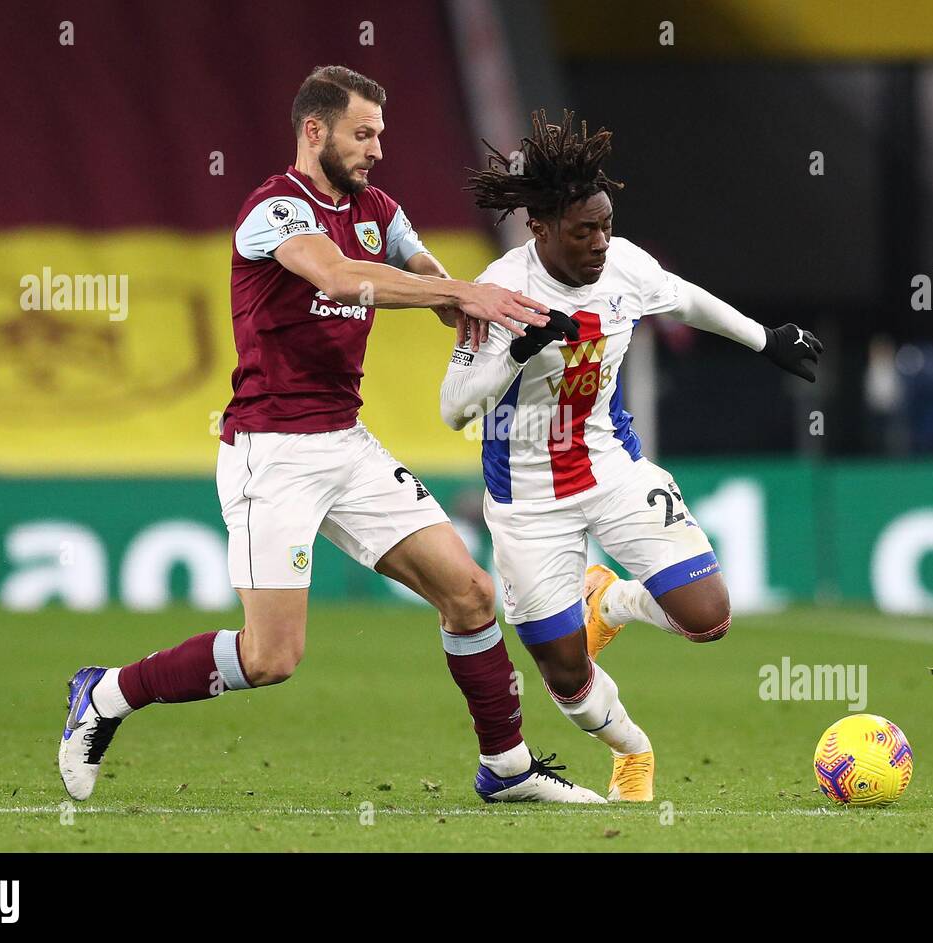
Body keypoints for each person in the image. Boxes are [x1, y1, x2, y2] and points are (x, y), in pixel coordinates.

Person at [59, 70, 604, 806]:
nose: (377, 148)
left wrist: (498, 314)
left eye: (380, 133)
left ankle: (506, 768)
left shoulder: (379, 208)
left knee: (471, 594)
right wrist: (459, 294)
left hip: (347, 444)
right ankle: (107, 694)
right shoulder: (273, 210)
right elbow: (342, 278)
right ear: (314, 131)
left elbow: (427, 275)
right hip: (271, 453)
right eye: (363, 133)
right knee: (270, 657)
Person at [440, 110, 822, 800]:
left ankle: (609, 601)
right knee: (564, 673)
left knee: (709, 617)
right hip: (528, 500)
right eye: (583, 231)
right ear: (540, 227)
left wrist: (766, 339)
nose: (599, 242)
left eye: (606, 226)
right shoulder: (498, 293)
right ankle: (633, 748)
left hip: (614, 468)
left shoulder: (624, 264)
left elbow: (683, 300)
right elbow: (455, 407)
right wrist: (518, 353)